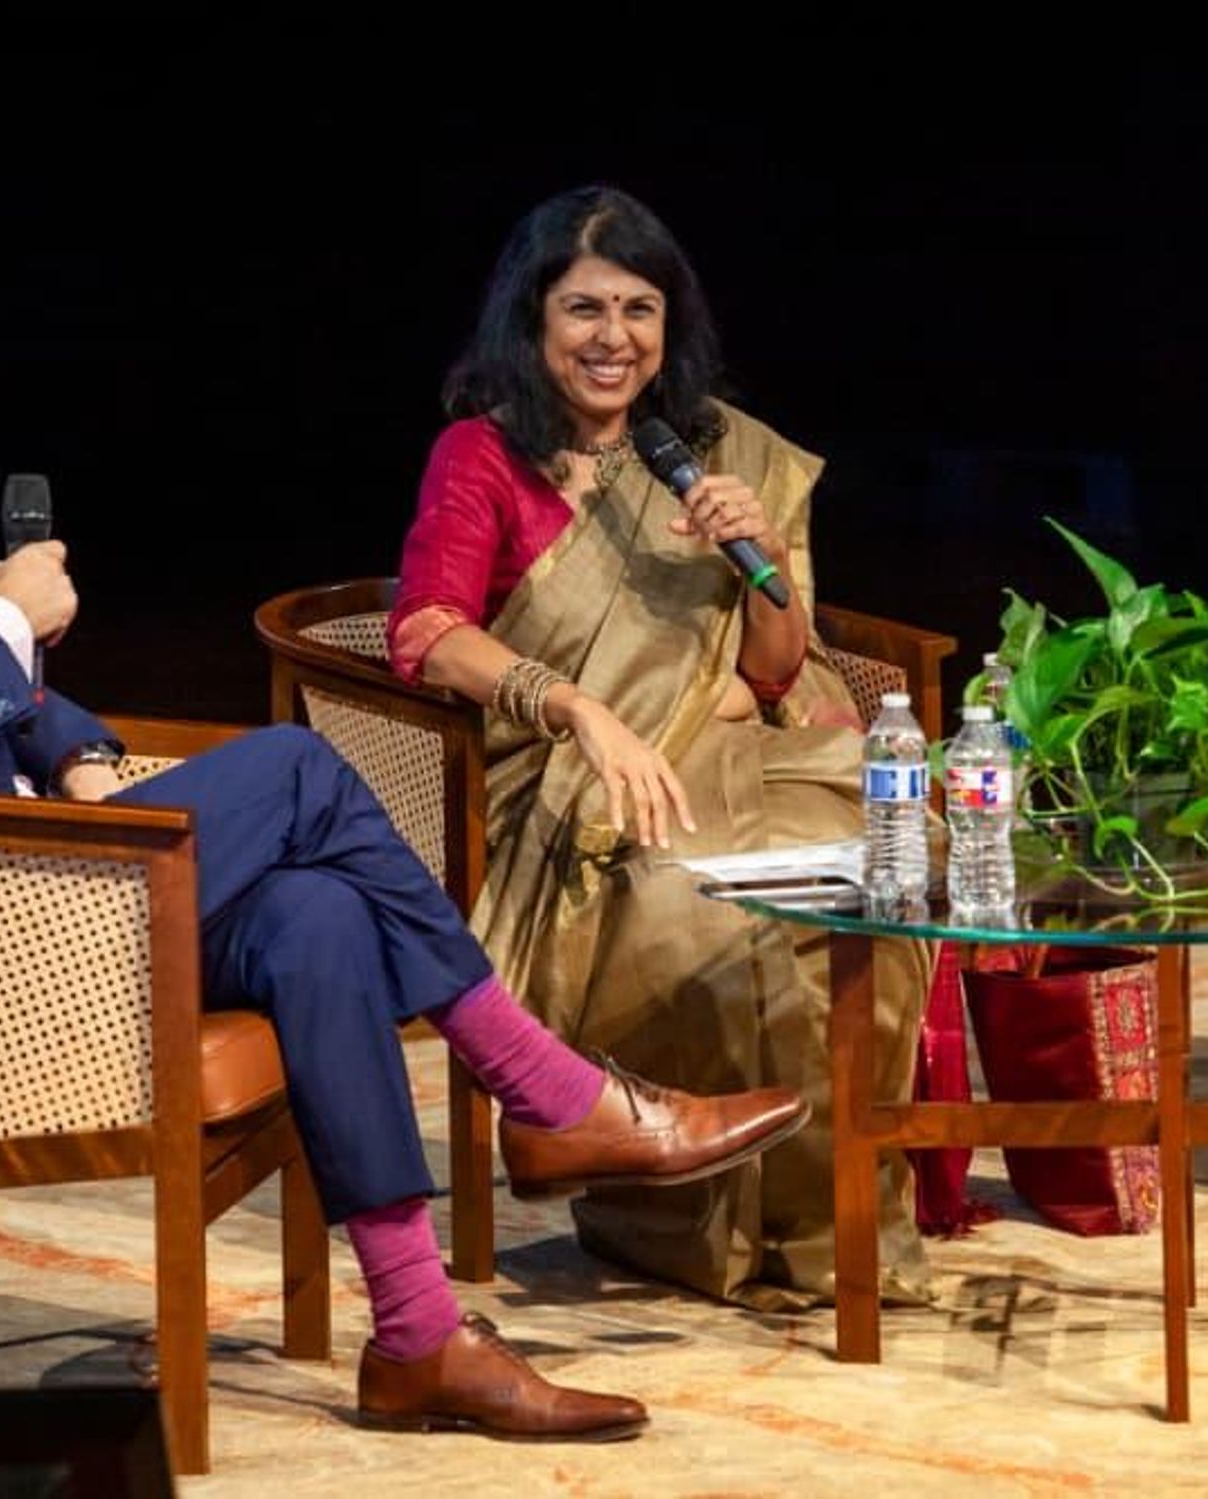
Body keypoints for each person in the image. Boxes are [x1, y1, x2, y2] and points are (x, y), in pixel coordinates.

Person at [0, 194, 813, 1441]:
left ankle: (416, 1336)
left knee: (312, 916)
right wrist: (8, 618)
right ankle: (546, 1087)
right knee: (298, 771)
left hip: (28, 880)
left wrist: (77, 747)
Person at [388, 186, 936, 1308]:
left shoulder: (714, 450)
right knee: (689, 901)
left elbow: (773, 670)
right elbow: (425, 631)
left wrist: (760, 548)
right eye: (584, 308)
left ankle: (826, 1222)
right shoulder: (482, 456)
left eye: (638, 309)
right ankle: (685, 1224)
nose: (613, 338)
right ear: (532, 322)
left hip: (737, 748)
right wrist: (579, 707)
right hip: (569, 782)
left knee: (867, 888)